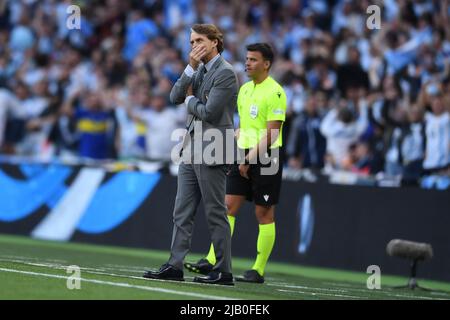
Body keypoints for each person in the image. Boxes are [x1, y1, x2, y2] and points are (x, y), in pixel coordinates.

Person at [143, 24, 238, 285]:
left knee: (215, 212)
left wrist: (190, 100)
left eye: (198, 41)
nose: (193, 46)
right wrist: (188, 69)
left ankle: (224, 271)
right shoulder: (199, 70)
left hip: (213, 148)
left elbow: (210, 112)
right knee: (182, 211)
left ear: (215, 42)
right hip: (191, 148)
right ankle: (175, 265)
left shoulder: (226, 73)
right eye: (191, 41)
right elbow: (174, 95)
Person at [184, 43, 287, 284]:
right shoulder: (245, 90)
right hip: (243, 154)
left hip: (267, 157)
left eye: (253, 59)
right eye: (247, 58)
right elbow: (244, 127)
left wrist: (249, 160)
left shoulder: (276, 92)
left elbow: (272, 133)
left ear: (267, 64)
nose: (247, 63)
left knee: (263, 212)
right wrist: (234, 147)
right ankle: (212, 259)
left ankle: (258, 270)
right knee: (228, 206)